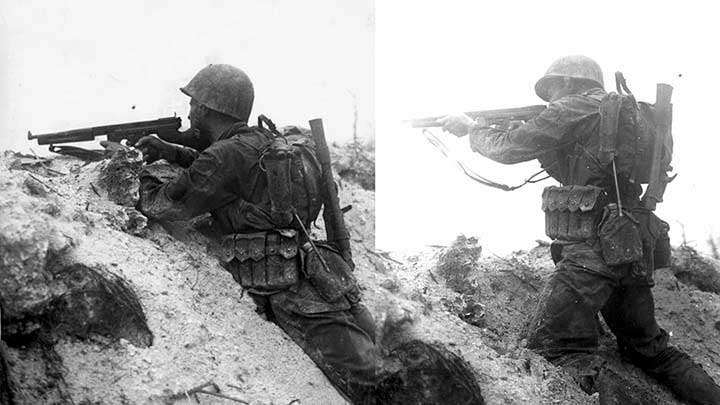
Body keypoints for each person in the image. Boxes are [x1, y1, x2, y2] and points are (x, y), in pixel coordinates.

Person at [439, 55, 720, 404]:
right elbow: (592, 170)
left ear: (570, 83)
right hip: (631, 246)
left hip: (591, 253)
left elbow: (509, 148)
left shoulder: (572, 108)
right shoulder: (619, 114)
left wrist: (472, 129)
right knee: (652, 351)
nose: (550, 99)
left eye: (553, 88)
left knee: (555, 350)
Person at [134, 64, 382, 402]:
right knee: (378, 358)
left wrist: (136, 168)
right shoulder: (264, 139)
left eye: (193, 104)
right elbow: (228, 171)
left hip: (290, 294)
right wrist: (173, 151)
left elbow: (164, 205)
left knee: (375, 385)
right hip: (326, 276)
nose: (190, 112)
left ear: (207, 108)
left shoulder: (225, 155)